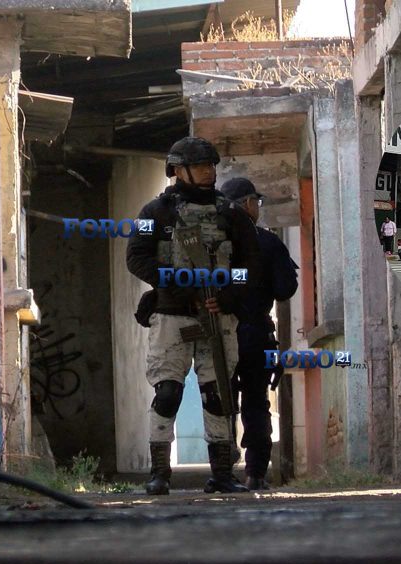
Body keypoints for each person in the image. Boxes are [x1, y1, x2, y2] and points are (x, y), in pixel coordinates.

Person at [127, 136, 262, 495]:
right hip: (172, 315)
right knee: (168, 393)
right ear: (178, 170)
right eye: (200, 165)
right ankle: (159, 474)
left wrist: (228, 296)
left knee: (218, 394)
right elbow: (136, 257)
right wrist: (176, 281)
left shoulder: (232, 214)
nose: (208, 171)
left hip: (218, 317)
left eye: (211, 165)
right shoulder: (152, 214)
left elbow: (251, 266)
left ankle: (222, 474)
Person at [220, 178, 299, 490]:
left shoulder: (211, 243)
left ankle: (222, 472)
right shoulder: (265, 241)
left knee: (219, 403)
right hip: (255, 334)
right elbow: (285, 289)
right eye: (257, 201)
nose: (258, 207)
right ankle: (255, 473)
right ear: (246, 204)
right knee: (256, 402)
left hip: (218, 334)